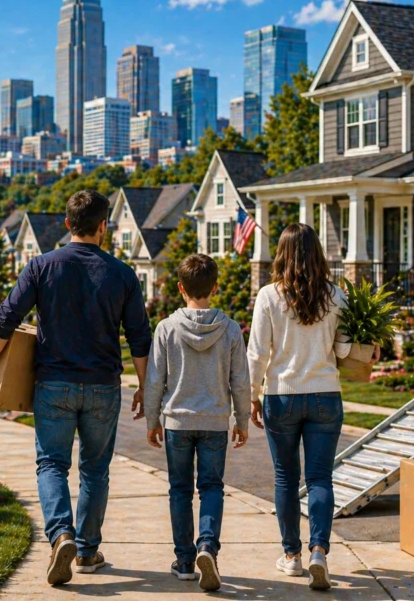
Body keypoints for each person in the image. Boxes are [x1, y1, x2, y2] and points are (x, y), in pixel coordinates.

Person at [0, 190, 152, 587]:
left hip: (53, 384)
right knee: (95, 470)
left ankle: (61, 535)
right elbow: (140, 337)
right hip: (103, 386)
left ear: (67, 225)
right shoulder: (123, 274)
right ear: (104, 227)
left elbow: (3, 322)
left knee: (52, 464)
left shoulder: (41, 266)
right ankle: (86, 551)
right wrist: (144, 386)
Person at [247, 223, 348, 591]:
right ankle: (319, 550)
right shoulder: (336, 296)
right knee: (320, 478)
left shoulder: (269, 296)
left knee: (286, 478)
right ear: (317, 253)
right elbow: (344, 350)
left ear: (282, 254)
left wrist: (250, 397)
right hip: (325, 395)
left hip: (282, 396)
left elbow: (256, 353)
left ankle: (292, 556)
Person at [144, 253, 251, 592]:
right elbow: (241, 380)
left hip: (177, 422)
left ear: (180, 288)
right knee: (211, 488)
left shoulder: (166, 328)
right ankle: (207, 546)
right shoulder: (230, 328)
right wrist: (242, 419)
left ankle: (186, 561)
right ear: (215, 287)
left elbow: (154, 380)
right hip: (215, 422)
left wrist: (152, 419)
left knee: (179, 490)